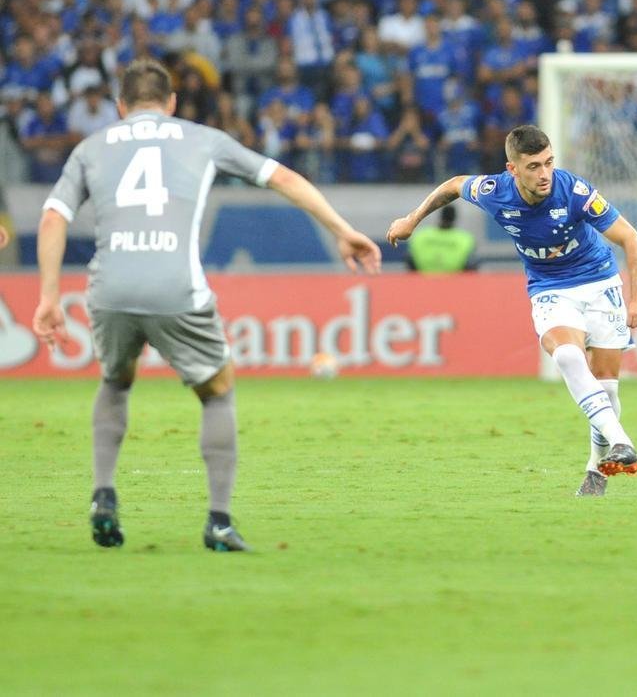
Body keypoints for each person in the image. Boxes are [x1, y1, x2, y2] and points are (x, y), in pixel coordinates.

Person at [33, 59, 382, 552]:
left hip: (110, 287)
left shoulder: (90, 147)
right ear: (172, 102)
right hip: (176, 285)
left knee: (115, 380)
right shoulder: (203, 137)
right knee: (217, 390)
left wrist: (49, 296)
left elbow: (52, 217)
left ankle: (103, 494)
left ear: (120, 106)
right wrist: (343, 231)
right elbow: (282, 177)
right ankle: (218, 521)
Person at [387, 125, 637, 497]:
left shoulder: (574, 191)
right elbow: (452, 185)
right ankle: (622, 441)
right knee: (569, 357)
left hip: (600, 282)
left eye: (549, 163)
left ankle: (597, 470)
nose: (544, 174)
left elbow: (632, 240)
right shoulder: (495, 192)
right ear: (513, 169)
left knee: (606, 387)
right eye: (533, 167)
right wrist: (412, 219)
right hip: (550, 289)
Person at [405, 205, 476, 273]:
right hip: (454, 281)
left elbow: (410, 261)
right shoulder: (465, 238)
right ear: (455, 217)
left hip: (422, 280)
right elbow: (469, 265)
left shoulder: (420, 235)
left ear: (440, 216)